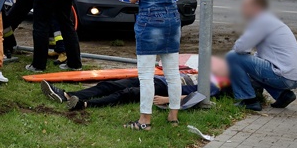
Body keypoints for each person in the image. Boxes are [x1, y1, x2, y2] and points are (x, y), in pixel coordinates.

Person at [123, 0, 184, 131]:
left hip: (150, 22)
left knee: (146, 75)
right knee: (172, 73)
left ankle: (145, 120)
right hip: (172, 21)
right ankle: (173, 116)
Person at [41, 56, 229, 111]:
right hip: (159, 79)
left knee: (128, 93)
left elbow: (195, 96)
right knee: (114, 84)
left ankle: (84, 104)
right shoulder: (209, 72)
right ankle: (65, 94)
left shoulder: (216, 84)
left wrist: (166, 100)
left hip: (164, 87)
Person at [228, 0, 297, 111]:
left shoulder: (261, 22)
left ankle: (249, 100)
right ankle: (282, 95)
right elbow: (259, 56)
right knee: (249, 65)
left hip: (284, 76)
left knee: (232, 57)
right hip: (294, 76)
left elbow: (240, 48)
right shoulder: (270, 20)